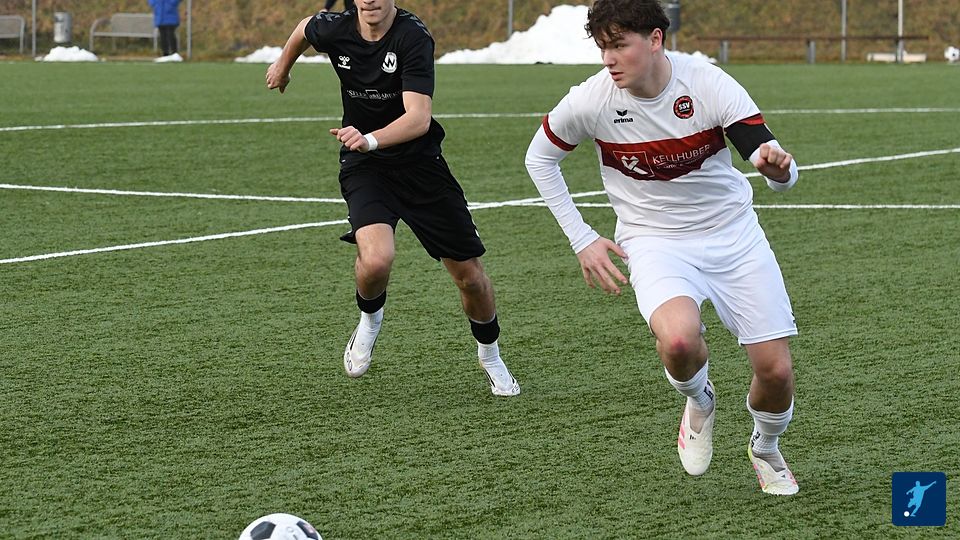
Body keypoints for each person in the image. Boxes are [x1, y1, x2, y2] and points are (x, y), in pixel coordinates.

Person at [524, 0, 801, 494]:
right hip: (654, 241)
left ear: (655, 39)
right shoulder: (592, 99)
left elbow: (770, 159)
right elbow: (538, 158)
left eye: (619, 45)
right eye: (602, 48)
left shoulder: (707, 83)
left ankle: (765, 446)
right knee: (678, 342)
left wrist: (778, 171)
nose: (609, 59)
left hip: (733, 235)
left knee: (776, 371)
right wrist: (582, 238)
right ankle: (700, 399)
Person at [265, 0, 520, 396]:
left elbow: (418, 118)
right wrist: (284, 65)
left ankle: (490, 355)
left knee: (470, 277)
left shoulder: (412, 37)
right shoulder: (336, 28)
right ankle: (369, 321)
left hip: (421, 167)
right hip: (366, 167)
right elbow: (304, 28)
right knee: (377, 259)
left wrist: (370, 139)